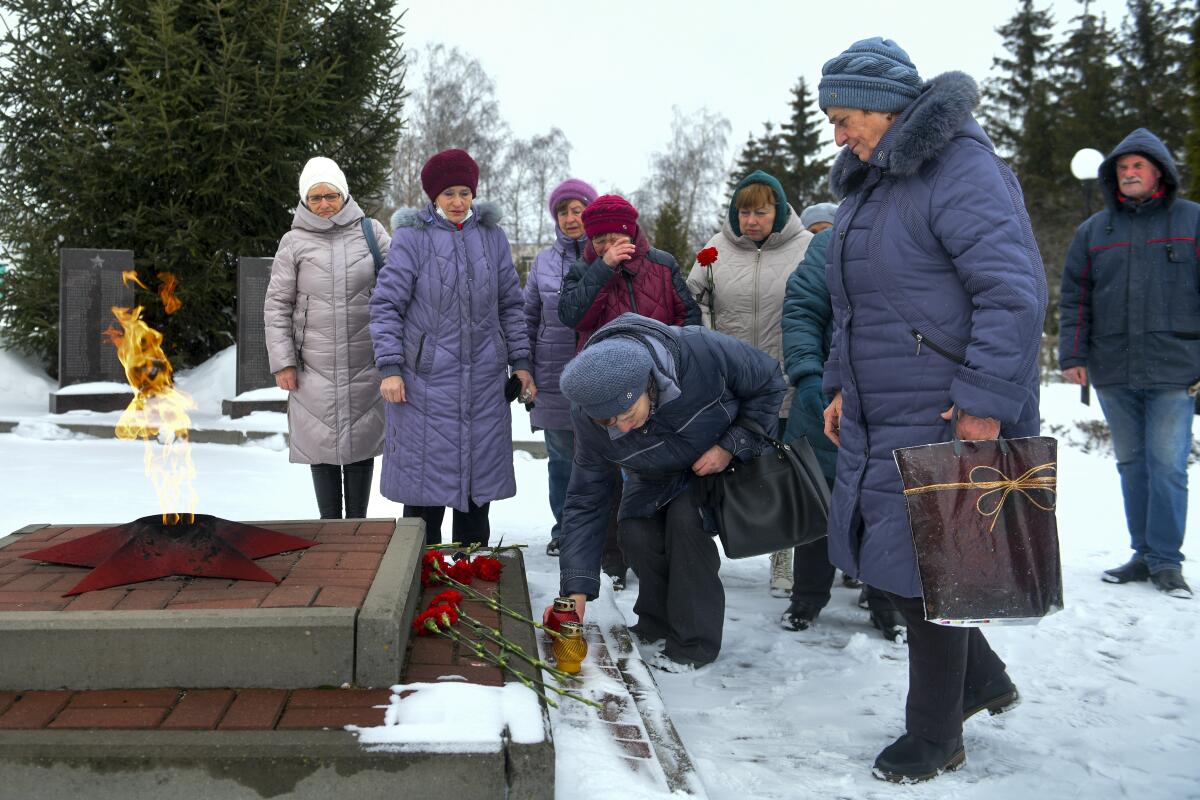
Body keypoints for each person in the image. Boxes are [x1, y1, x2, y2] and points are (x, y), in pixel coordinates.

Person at [818, 38, 1045, 782]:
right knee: (885, 559)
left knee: (929, 572)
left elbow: (1012, 294)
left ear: (884, 107)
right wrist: (838, 384)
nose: (838, 133)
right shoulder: (873, 184)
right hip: (882, 400)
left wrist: (984, 405)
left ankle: (935, 733)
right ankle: (980, 680)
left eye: (845, 116)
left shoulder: (961, 169)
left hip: (944, 403)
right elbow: (856, 308)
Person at [554, 313, 786, 672]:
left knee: (685, 523)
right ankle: (656, 622)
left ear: (649, 384)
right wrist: (575, 592)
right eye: (608, 422)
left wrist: (731, 445)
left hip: (721, 462)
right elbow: (587, 499)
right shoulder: (590, 419)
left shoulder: (702, 352)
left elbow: (770, 382)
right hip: (656, 474)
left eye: (628, 413)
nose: (622, 427)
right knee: (635, 531)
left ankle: (694, 644)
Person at [1058, 128, 1199, 600]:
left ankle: (1166, 561)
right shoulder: (1095, 230)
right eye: (1121, 168)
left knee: (1168, 466)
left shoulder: (1192, 220)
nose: (1129, 173)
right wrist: (1073, 355)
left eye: (1137, 166)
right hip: (1113, 367)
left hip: (1176, 368)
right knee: (1132, 465)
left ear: (1159, 171)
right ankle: (1142, 554)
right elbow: (1075, 297)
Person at [369, 148, 533, 547]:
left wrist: (521, 363)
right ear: (433, 197)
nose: (458, 202)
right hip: (424, 386)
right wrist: (390, 367)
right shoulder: (412, 238)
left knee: (476, 494)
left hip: (483, 383)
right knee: (424, 499)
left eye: (464, 192)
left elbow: (511, 304)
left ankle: (471, 572)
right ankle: (417, 580)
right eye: (449, 194)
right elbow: (386, 304)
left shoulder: (492, 237)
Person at [558, 194, 702, 588]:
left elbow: (688, 319)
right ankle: (612, 560)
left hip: (655, 390)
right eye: (598, 239)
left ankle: (655, 555)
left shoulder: (662, 264)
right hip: (603, 388)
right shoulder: (584, 268)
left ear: (630, 233)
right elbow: (572, 315)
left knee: (655, 472)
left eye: (611, 237)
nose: (605, 245)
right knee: (603, 475)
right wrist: (602, 270)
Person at [779, 207, 905, 641]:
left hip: (894, 398)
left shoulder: (908, 239)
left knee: (885, 507)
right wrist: (810, 376)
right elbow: (801, 312)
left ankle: (886, 601)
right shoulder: (826, 245)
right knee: (821, 504)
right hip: (827, 400)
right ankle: (807, 598)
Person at [685, 170, 812, 600]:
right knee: (721, 469)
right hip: (729, 385)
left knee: (782, 471)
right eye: (744, 212)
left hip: (785, 380)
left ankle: (783, 555)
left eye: (761, 211)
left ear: (778, 211)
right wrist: (711, 344)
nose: (751, 220)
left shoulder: (807, 248)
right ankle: (712, 551)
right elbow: (691, 304)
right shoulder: (713, 250)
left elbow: (819, 307)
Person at [264, 156, 388, 519]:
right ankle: (331, 526)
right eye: (315, 197)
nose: (324, 204)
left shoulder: (372, 232)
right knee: (321, 446)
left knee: (361, 443)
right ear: (305, 200)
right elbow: (277, 305)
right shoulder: (293, 242)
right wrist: (283, 361)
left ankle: (359, 526)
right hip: (311, 366)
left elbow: (398, 284)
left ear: (344, 194)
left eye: (330, 195)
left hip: (364, 360)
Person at [523, 178, 599, 557]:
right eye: (563, 211)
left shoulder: (608, 255)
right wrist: (524, 370)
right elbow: (528, 317)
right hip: (553, 378)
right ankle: (565, 528)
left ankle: (604, 533)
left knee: (604, 460)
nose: (571, 218)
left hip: (602, 377)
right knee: (562, 462)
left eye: (578, 210)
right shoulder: (543, 262)